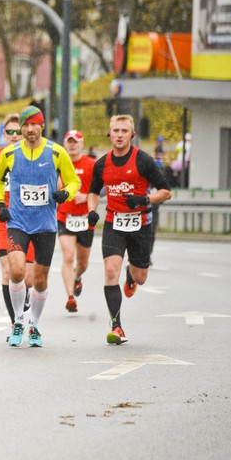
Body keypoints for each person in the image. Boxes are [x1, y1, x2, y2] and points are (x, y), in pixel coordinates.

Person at [0, 105, 80, 347]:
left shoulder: (56, 152)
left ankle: (35, 326)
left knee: (40, 281)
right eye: (26, 125)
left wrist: (65, 194)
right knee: (16, 271)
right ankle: (18, 320)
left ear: (42, 126)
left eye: (35, 125)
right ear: (21, 128)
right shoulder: (9, 154)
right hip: (17, 221)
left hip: (45, 225)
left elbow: (74, 181)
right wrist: (0, 203)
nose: (30, 129)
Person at [86, 114, 172, 345]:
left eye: (125, 131)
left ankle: (131, 275)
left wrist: (144, 200)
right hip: (114, 223)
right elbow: (93, 191)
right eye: (116, 130)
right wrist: (92, 210)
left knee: (140, 277)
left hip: (141, 225)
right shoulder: (102, 164)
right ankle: (117, 326)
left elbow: (166, 191)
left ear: (132, 134)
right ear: (110, 133)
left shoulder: (143, 160)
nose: (120, 135)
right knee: (110, 271)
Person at [0, 113, 35, 327]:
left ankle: (24, 294)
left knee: (26, 278)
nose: (13, 136)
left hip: (29, 219)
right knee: (8, 271)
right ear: (3, 134)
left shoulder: (34, 155)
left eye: (16, 132)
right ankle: (15, 322)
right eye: (9, 132)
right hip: (3, 219)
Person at [56, 129, 97, 313]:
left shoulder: (92, 164)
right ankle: (70, 297)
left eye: (76, 141)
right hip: (65, 216)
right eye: (69, 141)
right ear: (65, 144)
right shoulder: (58, 163)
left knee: (82, 263)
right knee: (68, 256)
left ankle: (78, 277)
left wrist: (86, 196)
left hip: (85, 218)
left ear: (81, 144)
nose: (72, 144)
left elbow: (101, 189)